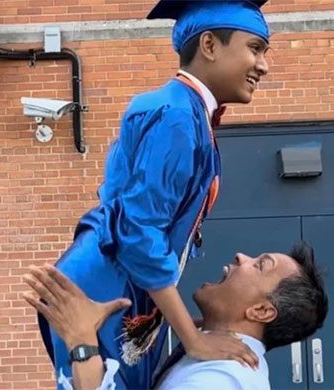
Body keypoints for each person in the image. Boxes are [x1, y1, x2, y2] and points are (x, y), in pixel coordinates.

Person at [36, 0, 273, 388]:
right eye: (255, 48)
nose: (263, 65)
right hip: (105, 287)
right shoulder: (175, 116)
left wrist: (183, 321)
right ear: (210, 46)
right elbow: (139, 233)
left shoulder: (186, 112)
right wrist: (192, 338)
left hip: (126, 282)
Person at [23, 242, 328, 389]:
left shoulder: (221, 382)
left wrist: (82, 342)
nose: (241, 257)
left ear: (261, 310)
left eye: (260, 265)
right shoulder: (213, 354)